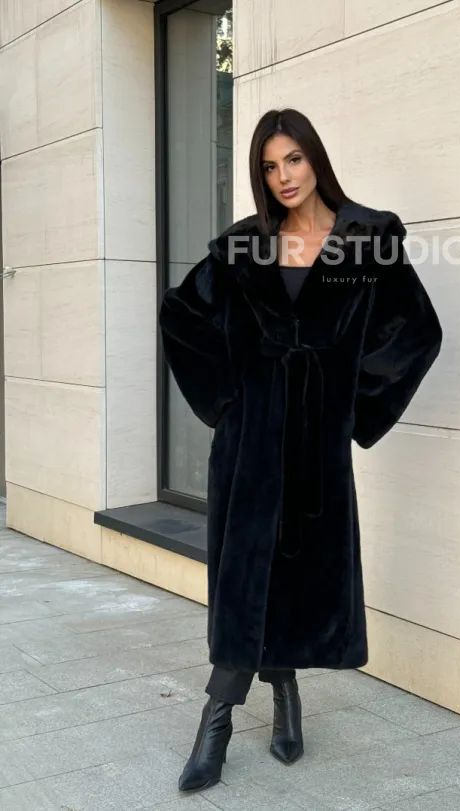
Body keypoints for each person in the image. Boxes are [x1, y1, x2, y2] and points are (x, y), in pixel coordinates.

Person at [159, 107, 443, 793]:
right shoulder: (243, 247)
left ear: (315, 158)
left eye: (293, 159)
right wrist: (227, 401)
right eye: (269, 166)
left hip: (316, 448)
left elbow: (416, 331)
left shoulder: (366, 239)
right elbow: (182, 313)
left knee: (295, 578)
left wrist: (351, 408)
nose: (283, 176)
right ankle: (216, 722)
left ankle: (285, 692)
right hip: (249, 444)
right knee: (243, 580)